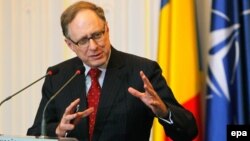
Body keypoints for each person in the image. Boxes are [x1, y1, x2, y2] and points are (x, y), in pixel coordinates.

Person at [27, 1, 198, 141]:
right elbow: (34, 133)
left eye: (97, 35)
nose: (93, 46)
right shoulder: (57, 76)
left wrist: (164, 112)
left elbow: (188, 131)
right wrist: (57, 131)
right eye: (83, 41)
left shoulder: (142, 71)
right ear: (70, 45)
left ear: (107, 30)